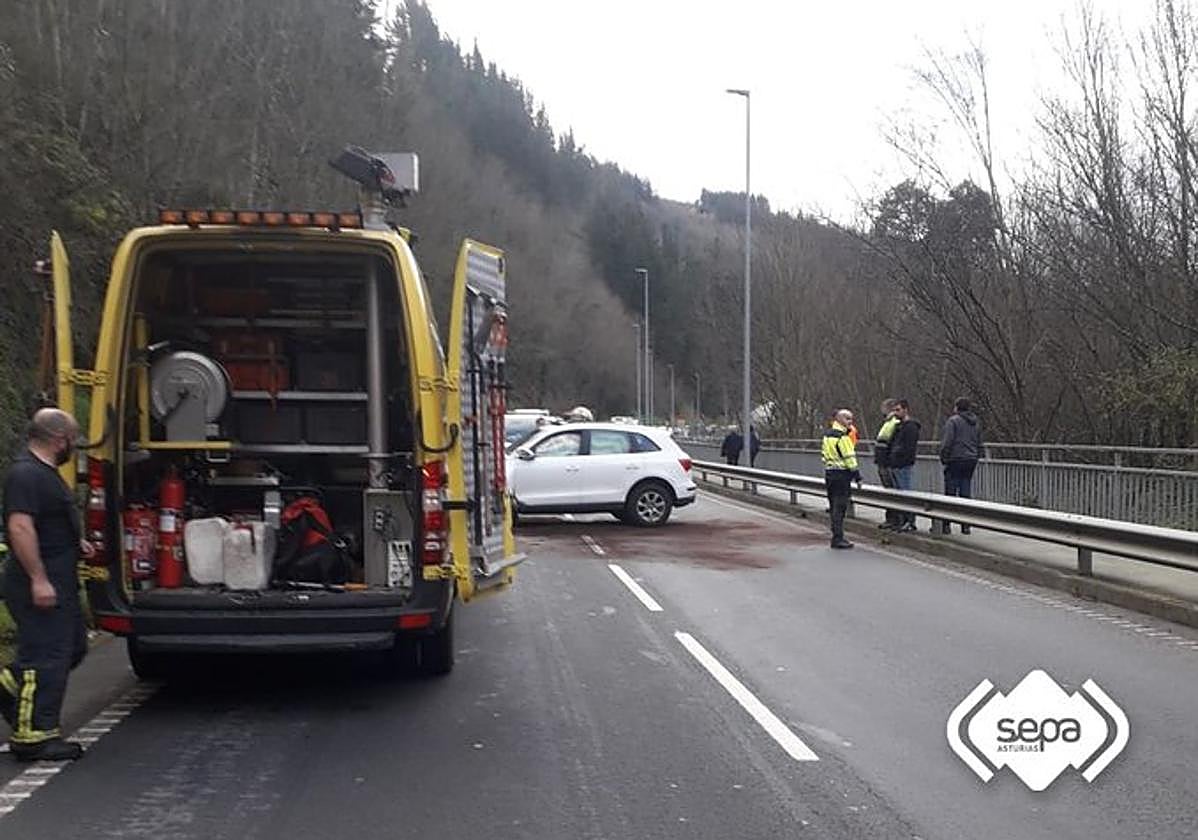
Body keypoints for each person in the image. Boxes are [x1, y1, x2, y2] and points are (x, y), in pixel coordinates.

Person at [1, 408, 91, 761]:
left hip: (59, 581)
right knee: (45, 659)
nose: (74, 446)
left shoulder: (45, 475)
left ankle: (8, 688)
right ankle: (34, 736)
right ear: (58, 440)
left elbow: (47, 523)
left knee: (71, 649)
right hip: (39, 584)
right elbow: (20, 528)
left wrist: (76, 543)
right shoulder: (26, 475)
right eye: (73, 439)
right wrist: (39, 579)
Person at [938, 397, 983, 534]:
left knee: (950, 492)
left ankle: (947, 524)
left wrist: (944, 457)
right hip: (971, 459)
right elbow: (979, 441)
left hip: (956, 459)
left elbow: (947, 442)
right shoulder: (975, 423)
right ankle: (966, 525)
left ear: (957, 408)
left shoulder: (953, 421)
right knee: (965, 489)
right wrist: (976, 455)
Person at [821, 409, 861, 549]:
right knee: (840, 506)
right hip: (842, 474)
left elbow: (824, 454)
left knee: (833, 506)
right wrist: (857, 475)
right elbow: (849, 457)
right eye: (847, 419)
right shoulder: (843, 437)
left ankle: (836, 535)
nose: (850, 422)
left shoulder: (827, 435)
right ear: (839, 420)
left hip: (830, 472)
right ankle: (838, 538)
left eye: (851, 419)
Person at [888, 399, 921, 532]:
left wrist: (899, 455)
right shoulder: (898, 425)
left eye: (898, 410)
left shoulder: (910, 427)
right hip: (896, 464)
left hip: (903, 464)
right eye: (894, 410)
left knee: (906, 493)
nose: (895, 413)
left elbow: (909, 447)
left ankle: (910, 521)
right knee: (899, 494)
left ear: (905, 410)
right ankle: (902, 520)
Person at [874, 399, 902, 530]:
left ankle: (894, 519)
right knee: (889, 492)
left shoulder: (894, 422)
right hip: (883, 461)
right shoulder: (889, 422)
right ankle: (892, 518)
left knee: (891, 492)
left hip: (886, 462)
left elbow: (892, 443)